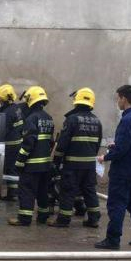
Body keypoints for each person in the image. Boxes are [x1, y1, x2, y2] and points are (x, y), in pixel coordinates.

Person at [95, 85, 131, 250]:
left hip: (123, 172)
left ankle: (112, 239)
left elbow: (122, 149)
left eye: (117, 98)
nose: (117, 102)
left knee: (116, 205)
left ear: (124, 98)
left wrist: (105, 157)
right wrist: (116, 145)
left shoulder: (127, 120)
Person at [48, 88, 102, 228]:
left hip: (72, 165)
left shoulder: (72, 120)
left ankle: (63, 220)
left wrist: (56, 162)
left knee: (68, 191)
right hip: (90, 165)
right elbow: (97, 144)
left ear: (77, 102)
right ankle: (94, 219)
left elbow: (62, 144)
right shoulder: (97, 121)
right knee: (89, 191)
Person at [8, 86, 55, 226]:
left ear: (30, 100)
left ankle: (24, 219)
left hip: (32, 165)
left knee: (26, 190)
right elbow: (51, 141)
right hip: (45, 164)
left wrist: (19, 162)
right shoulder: (49, 118)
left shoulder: (31, 119)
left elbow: (28, 143)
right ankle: (42, 217)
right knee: (42, 191)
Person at [0, 84, 25, 200]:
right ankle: (13, 193)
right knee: (12, 169)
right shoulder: (16, 108)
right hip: (16, 144)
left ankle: (13, 194)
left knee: (10, 170)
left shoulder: (7, 112)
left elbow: (2, 130)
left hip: (10, 145)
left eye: (0, 98)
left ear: (6, 99)